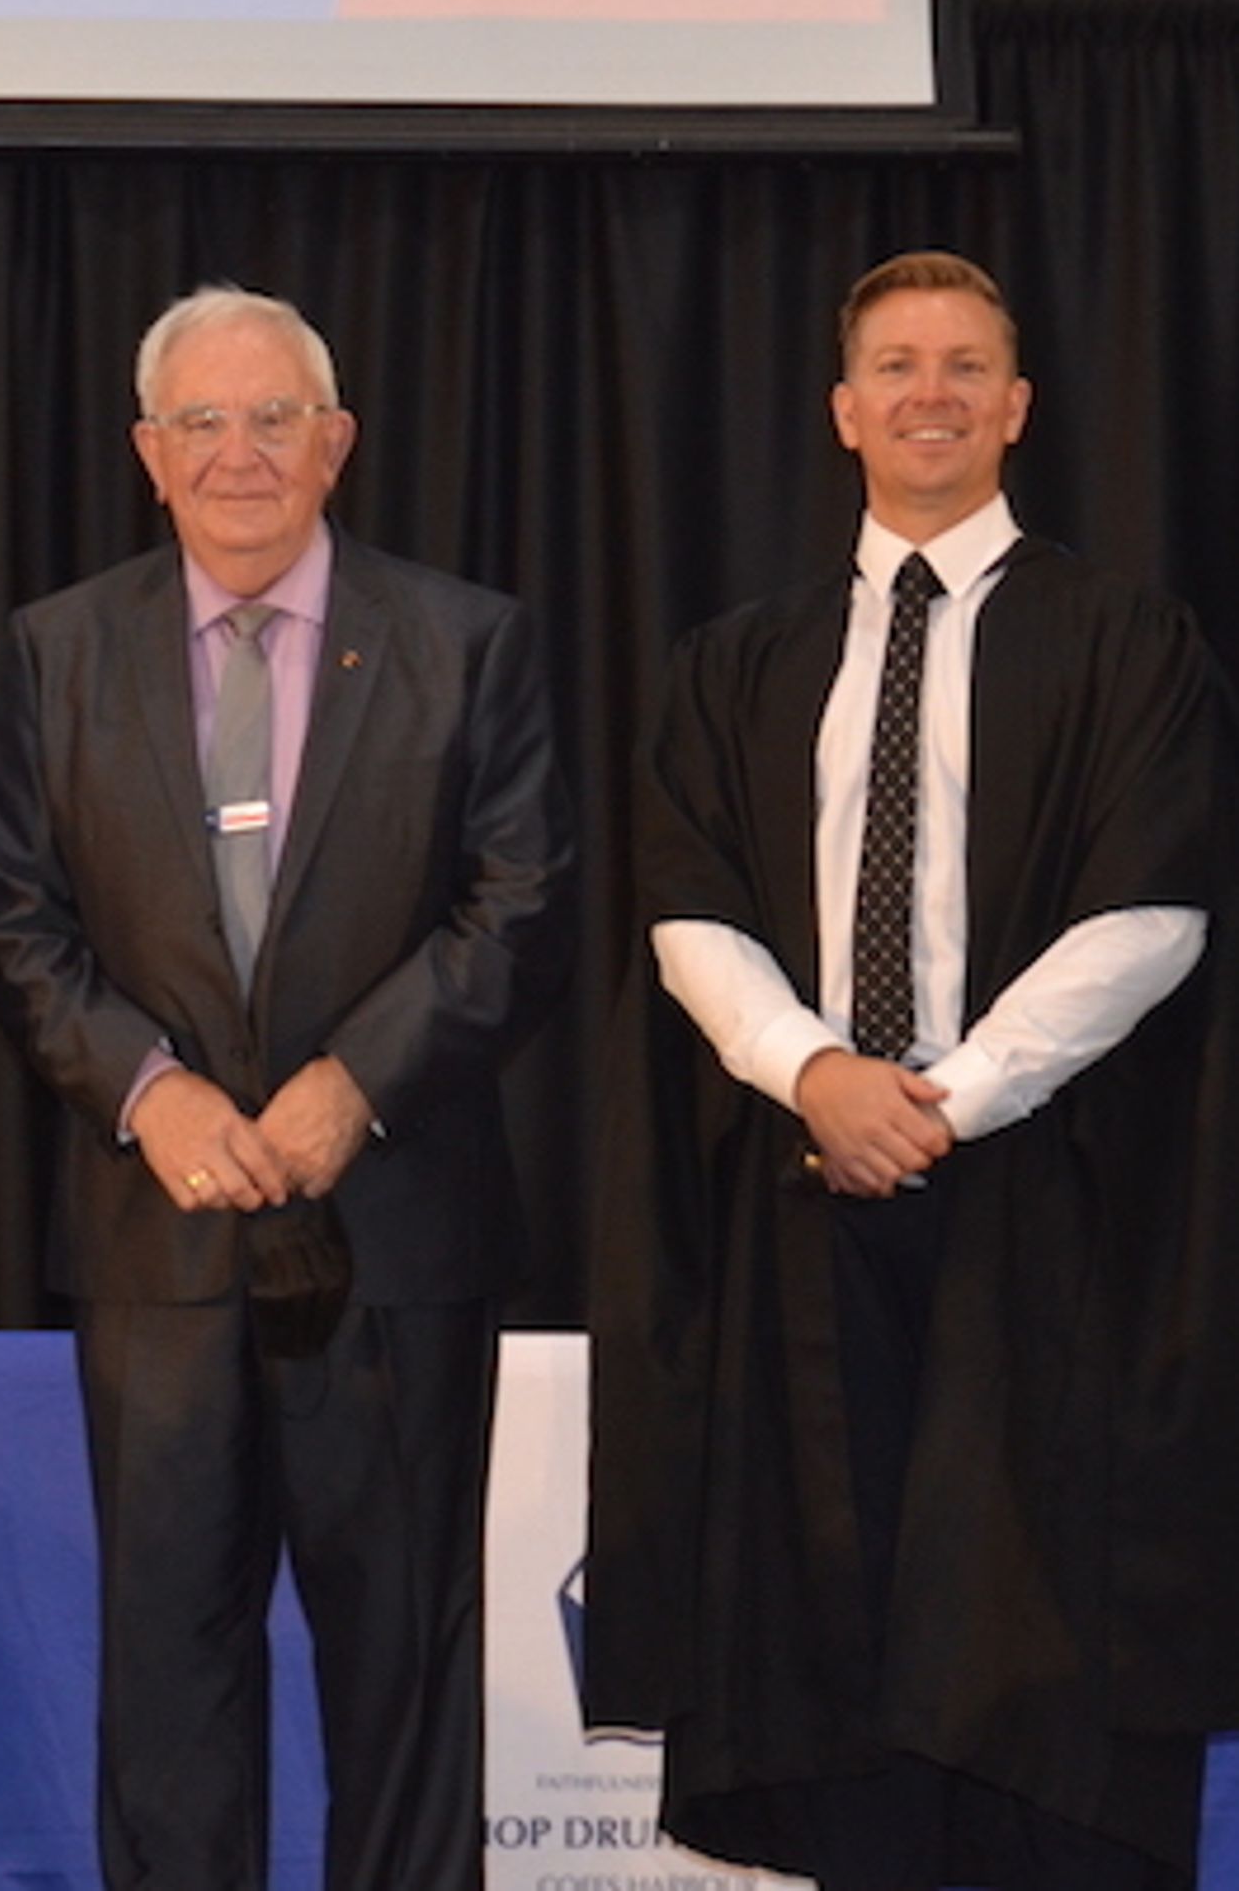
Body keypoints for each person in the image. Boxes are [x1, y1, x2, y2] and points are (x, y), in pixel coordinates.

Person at [588, 250, 1239, 1891]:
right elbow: (687, 912)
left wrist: (949, 1097)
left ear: (1017, 407)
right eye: (895, 365)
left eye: (962, 367)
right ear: (842, 410)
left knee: (1033, 1650)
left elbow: (1154, 913)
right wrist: (819, 1074)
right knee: (835, 1647)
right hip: (803, 1206)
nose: (928, 393)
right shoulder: (738, 662)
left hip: (1053, 1210)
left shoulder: (1129, 642)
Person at [0, 284, 575, 1891]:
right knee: (168, 1684)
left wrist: (352, 1087)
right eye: (201, 423)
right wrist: (152, 1093)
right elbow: (17, 926)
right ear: (148, 454)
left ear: (337, 442)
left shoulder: (467, 641)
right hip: (154, 1243)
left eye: (273, 418)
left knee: (406, 1673)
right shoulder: (56, 650)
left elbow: (523, 906)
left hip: (396, 1238)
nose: (238, 453)